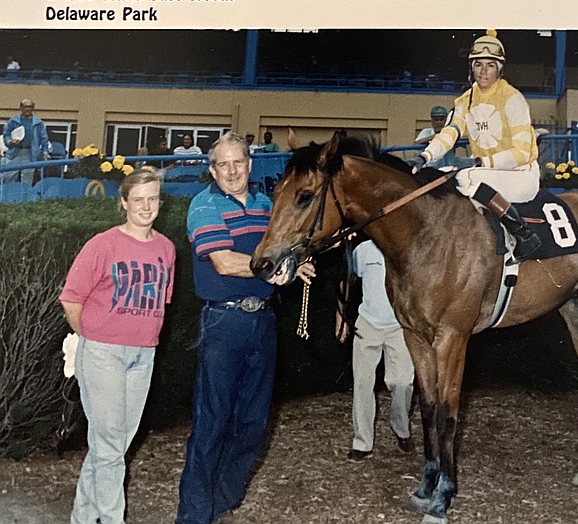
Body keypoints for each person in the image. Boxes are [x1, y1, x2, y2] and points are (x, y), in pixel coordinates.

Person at [174, 132, 314, 524]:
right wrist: (272, 270)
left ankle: (222, 502)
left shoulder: (267, 205)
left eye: (239, 162)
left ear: (250, 165)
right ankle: (193, 515)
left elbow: (285, 247)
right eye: (224, 164)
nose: (232, 171)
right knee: (212, 422)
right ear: (212, 169)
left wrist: (297, 263)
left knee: (253, 424)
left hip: (263, 321)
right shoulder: (204, 205)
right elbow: (224, 262)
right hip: (223, 322)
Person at [60, 169, 175, 524]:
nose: (146, 206)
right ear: (124, 202)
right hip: (103, 353)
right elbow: (71, 300)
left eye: (153, 198)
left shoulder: (167, 249)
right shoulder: (102, 245)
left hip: (143, 354)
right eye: (138, 199)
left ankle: (82, 517)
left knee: (113, 445)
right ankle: (112, 519)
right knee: (110, 445)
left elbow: (160, 302)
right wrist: (93, 339)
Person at [412, 31, 541, 258]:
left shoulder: (513, 98)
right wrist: (425, 156)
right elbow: (449, 133)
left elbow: (522, 153)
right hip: (485, 173)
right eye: (478, 64)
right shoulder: (465, 101)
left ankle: (523, 234)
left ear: (499, 69)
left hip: (520, 174)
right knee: (439, 175)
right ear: (471, 68)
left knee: (465, 177)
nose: (483, 71)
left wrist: (480, 162)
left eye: (490, 65)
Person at [340, 239, 415, 461]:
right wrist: (340, 315)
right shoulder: (364, 249)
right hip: (368, 323)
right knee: (362, 383)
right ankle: (362, 442)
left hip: (399, 326)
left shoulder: (407, 247)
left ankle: (401, 429)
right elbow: (347, 280)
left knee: (403, 382)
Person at [3, 97, 50, 183]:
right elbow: (6, 134)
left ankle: (25, 192)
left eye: (30, 106)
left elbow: (44, 139)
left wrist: (45, 152)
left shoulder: (38, 122)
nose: (27, 109)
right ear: (21, 108)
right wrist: (10, 141)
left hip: (30, 153)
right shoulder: (13, 120)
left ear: (33, 108)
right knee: (9, 176)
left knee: (27, 179)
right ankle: (8, 192)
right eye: (25, 107)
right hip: (15, 152)